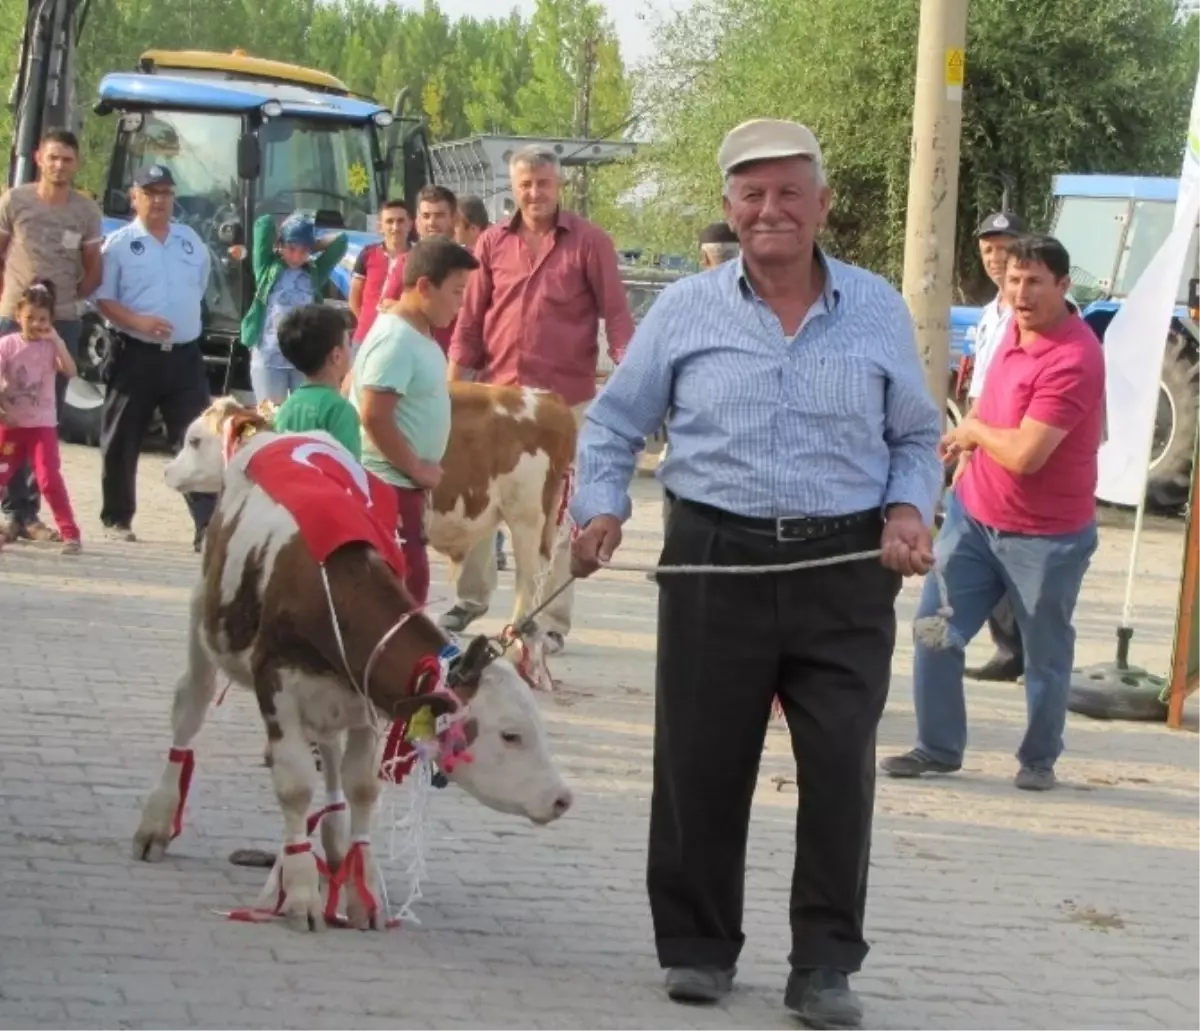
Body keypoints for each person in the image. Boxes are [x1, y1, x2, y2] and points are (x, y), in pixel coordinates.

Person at [569, 119, 941, 1026]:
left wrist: (906, 510)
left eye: (786, 192)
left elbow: (916, 436)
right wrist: (600, 508)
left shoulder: (879, 308)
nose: (768, 210)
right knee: (700, 758)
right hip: (713, 559)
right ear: (730, 209)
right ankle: (697, 947)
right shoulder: (688, 309)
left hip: (846, 568)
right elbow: (613, 423)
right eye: (750, 194)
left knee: (841, 764)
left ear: (820, 205)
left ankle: (824, 965)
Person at [883, 235, 1103, 793]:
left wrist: (974, 430)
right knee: (935, 631)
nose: (1021, 293)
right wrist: (967, 445)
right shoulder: (1009, 330)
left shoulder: (1074, 356)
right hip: (974, 519)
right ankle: (937, 748)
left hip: (1048, 539)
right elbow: (989, 400)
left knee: (1044, 656)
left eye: (1034, 282)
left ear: (1063, 285)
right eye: (1012, 281)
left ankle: (1038, 760)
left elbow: (1028, 455)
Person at [444, 144, 635, 653]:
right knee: (479, 499)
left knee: (552, 512)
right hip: (497, 401)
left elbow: (616, 315)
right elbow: (469, 319)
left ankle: (547, 622)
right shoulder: (490, 243)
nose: (535, 193)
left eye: (543, 183)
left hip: (559, 407)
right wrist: (452, 383)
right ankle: (470, 599)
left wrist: (629, 371)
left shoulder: (590, 243)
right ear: (514, 188)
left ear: (559, 186)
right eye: (526, 184)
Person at [350, 238, 479, 606]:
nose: (461, 303)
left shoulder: (420, 334)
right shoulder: (395, 340)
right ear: (424, 287)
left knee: (412, 582)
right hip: (388, 483)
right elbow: (374, 415)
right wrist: (415, 467)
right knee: (403, 590)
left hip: (406, 485)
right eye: (456, 292)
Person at [94, 163, 217, 549]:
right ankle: (117, 517)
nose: (158, 200)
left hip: (183, 357)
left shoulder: (190, 241)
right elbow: (102, 299)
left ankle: (207, 524)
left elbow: (200, 286)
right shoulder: (118, 244)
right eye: (150, 193)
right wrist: (138, 321)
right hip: (135, 354)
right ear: (135, 197)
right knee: (122, 437)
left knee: (197, 438)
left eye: (165, 193)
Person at [0, 127, 102, 545]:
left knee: (43, 416)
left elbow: (93, 267)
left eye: (68, 159)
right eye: (53, 157)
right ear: (40, 157)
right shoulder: (15, 201)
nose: (60, 166)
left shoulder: (85, 211)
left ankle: (31, 514)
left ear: (76, 165)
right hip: (12, 320)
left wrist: (67, 306)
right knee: (8, 415)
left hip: (60, 323)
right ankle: (10, 512)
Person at [647, 220, 742, 583]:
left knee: (677, 484)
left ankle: (675, 561)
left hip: (695, 429)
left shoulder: (683, 301)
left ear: (703, 257)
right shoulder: (766, 300)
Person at [962, 211, 1028, 683]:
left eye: (1004, 248)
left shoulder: (1033, 315)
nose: (995, 258)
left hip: (1014, 439)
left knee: (1013, 551)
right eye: (987, 249)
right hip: (980, 438)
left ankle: (1024, 651)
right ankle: (1008, 647)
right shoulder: (990, 314)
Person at [0, 280, 81, 554]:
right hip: (10, 426)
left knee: (48, 479)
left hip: (41, 427)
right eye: (30, 318)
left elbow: (70, 371)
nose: (35, 324)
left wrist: (57, 340)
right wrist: (4, 409)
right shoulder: (7, 345)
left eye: (42, 319)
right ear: (17, 317)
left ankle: (70, 533)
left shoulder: (50, 348)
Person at [241, 211, 348, 404]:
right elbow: (264, 223)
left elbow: (341, 241)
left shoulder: (314, 272)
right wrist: (286, 234)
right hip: (269, 358)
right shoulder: (267, 268)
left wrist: (313, 244)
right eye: (291, 248)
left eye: (303, 250)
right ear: (280, 245)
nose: (297, 256)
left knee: (302, 419)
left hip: (303, 359)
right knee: (270, 419)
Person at [377, 184, 461, 355]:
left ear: (454, 219)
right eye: (426, 216)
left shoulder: (470, 264)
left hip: (458, 363)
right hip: (413, 359)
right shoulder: (404, 262)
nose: (431, 222)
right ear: (417, 221)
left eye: (439, 215)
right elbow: (385, 307)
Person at [271, 304, 361, 459]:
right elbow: (350, 471)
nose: (351, 349)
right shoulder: (340, 410)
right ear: (337, 356)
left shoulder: (286, 408)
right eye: (348, 343)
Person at [348, 199, 411, 349]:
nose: (395, 227)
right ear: (380, 227)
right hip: (365, 339)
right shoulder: (367, 254)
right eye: (389, 221)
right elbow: (354, 299)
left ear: (410, 224)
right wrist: (368, 324)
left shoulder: (418, 257)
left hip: (401, 340)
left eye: (401, 221)